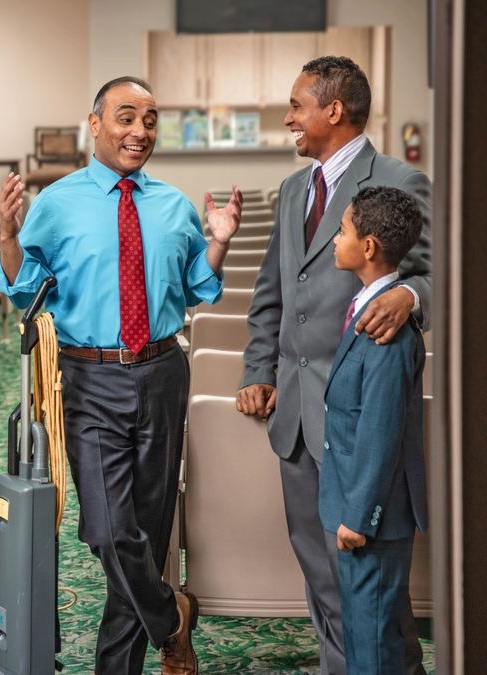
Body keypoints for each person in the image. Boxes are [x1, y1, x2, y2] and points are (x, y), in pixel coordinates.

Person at [0, 75, 243, 675]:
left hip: (163, 371)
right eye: (126, 117)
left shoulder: (173, 205)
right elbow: (23, 289)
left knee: (147, 535)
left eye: (150, 120)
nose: (140, 131)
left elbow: (195, 287)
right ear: (96, 124)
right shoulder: (58, 202)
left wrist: (219, 243)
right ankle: (173, 614)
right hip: (88, 379)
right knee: (107, 531)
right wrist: (7, 236)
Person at [237, 56, 431, 675]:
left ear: (334, 109)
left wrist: (410, 295)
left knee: (367, 585)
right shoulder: (294, 189)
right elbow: (274, 289)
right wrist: (258, 370)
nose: (289, 119)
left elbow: (448, 274)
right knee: (321, 575)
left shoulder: (399, 179)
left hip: (354, 421)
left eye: (297, 106)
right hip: (294, 412)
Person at [321, 185, 427, 675]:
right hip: (360, 506)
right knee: (380, 636)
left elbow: (381, 431)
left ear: (367, 247)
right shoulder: (369, 303)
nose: (334, 239)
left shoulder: (387, 328)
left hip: (373, 519)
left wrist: (360, 517)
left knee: (373, 648)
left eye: (342, 230)